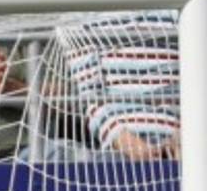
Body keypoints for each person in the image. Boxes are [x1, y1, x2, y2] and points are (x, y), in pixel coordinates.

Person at [56, 11, 180, 161]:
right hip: (119, 150)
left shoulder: (178, 9)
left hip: (187, 141)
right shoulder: (78, 16)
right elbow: (89, 100)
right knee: (39, 155)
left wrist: (184, 134)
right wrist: (123, 140)